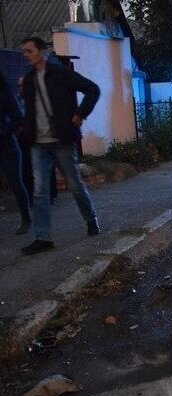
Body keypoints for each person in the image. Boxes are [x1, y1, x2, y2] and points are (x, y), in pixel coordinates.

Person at [19, 36, 101, 255]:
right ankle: (43, 237)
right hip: (39, 143)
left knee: (74, 185)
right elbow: (30, 109)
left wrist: (80, 114)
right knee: (40, 191)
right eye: (24, 52)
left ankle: (91, 220)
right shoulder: (29, 80)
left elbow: (92, 89)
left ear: (42, 51)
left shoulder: (60, 73)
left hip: (62, 140)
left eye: (29, 51)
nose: (26, 55)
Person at [16, 76, 58, 206]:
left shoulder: (38, 99)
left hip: (39, 136)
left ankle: (50, 194)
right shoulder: (17, 100)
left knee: (45, 166)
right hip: (23, 138)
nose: (21, 88)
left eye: (23, 85)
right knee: (26, 167)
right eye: (19, 86)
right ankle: (30, 196)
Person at [0, 72, 31, 235]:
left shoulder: (4, 93)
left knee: (16, 182)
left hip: (7, 146)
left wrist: (5, 131)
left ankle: (26, 217)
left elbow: (18, 118)